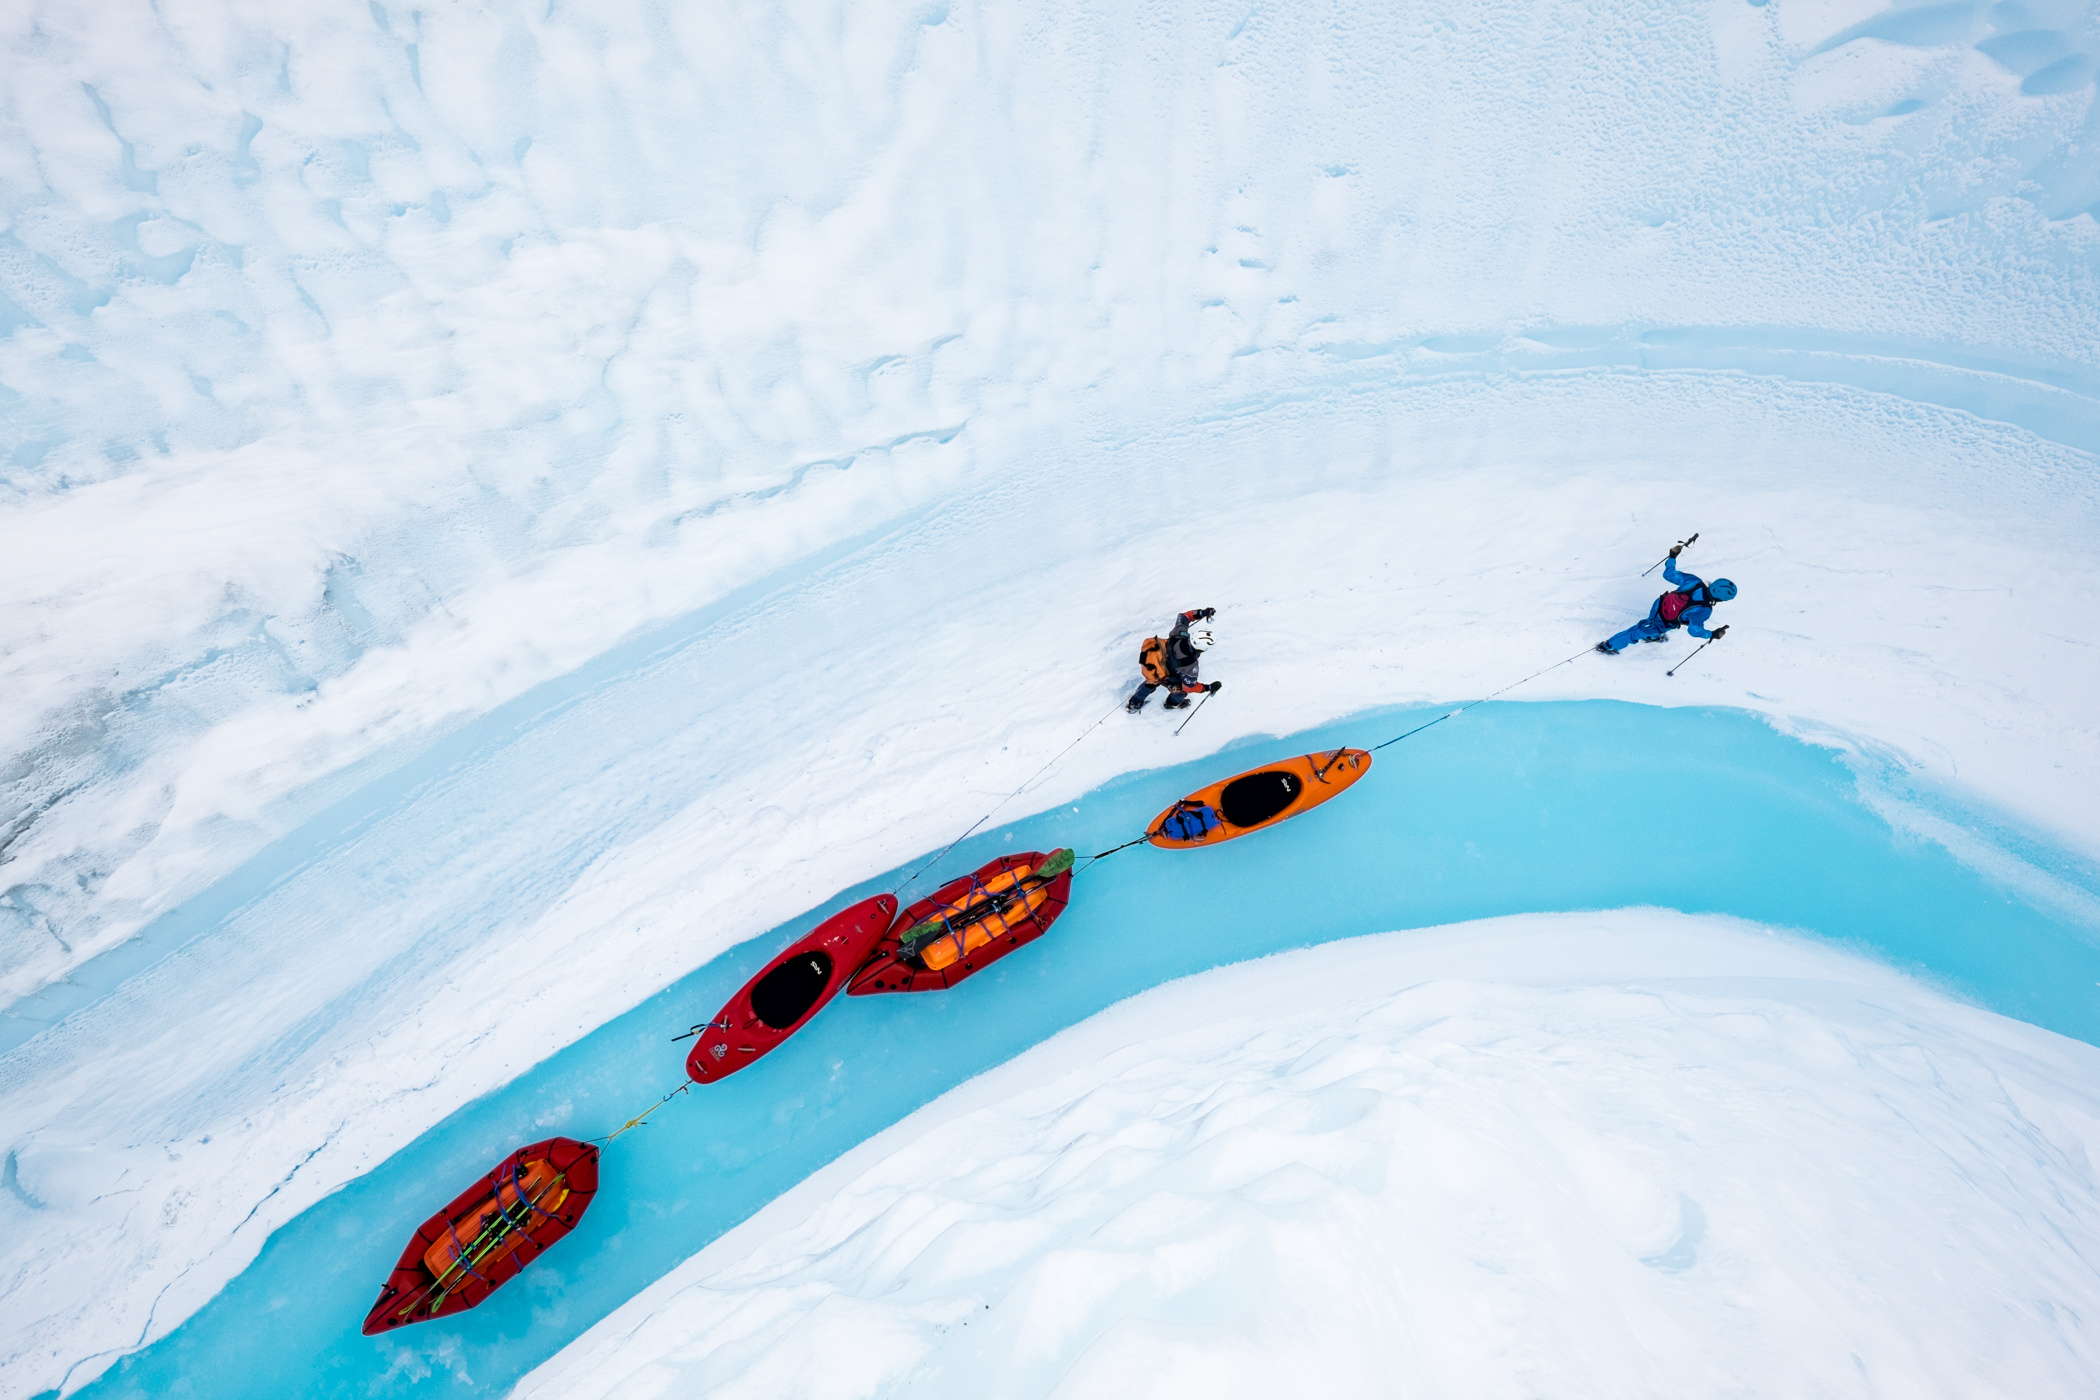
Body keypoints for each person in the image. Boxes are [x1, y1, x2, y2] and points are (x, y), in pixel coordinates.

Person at [1597, 548, 1737, 654]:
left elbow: (1669, 574)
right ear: (1721, 599)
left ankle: (1652, 635)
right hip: (1665, 620)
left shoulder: (1695, 581)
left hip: (1659, 604)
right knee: (1638, 631)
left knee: (1651, 624)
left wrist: (1672, 557)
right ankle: (1608, 646)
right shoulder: (1704, 609)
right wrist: (1711, 634)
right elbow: (1694, 630)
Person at [1127, 607, 1223, 711]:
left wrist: (1202, 613)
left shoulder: (1179, 634)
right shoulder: (1192, 666)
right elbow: (1189, 687)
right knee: (1181, 691)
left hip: (1154, 662)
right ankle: (1171, 704)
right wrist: (1208, 688)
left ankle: (1134, 704)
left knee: (1150, 683)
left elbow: (1184, 617)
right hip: (1167, 676)